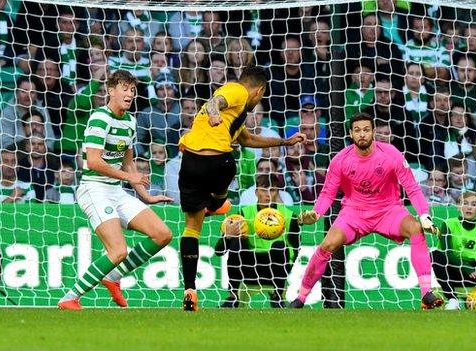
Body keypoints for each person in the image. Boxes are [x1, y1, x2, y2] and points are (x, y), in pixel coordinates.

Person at [177, 66, 306, 311]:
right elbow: (217, 101)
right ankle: (215, 203)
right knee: (228, 169)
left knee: (191, 230)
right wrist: (215, 112)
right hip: (217, 163)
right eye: (261, 98)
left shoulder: (234, 119)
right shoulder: (237, 90)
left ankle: (190, 289)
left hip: (190, 162)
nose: (258, 102)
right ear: (259, 90)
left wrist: (284, 141)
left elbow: (247, 139)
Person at [288, 113, 443, 309]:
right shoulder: (340, 160)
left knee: (415, 228)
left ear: (373, 132)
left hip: (389, 210)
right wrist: (317, 213)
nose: (362, 134)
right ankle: (301, 298)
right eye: (357, 130)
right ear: (351, 134)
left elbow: (411, 187)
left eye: (366, 130)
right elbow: (328, 192)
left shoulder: (391, 153)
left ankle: (426, 293)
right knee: (327, 244)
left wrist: (424, 215)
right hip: (354, 213)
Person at [57, 70, 173, 310]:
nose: (130, 94)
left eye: (133, 90)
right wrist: (128, 176)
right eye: (124, 88)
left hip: (116, 190)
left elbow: (128, 162)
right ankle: (70, 297)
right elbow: (95, 161)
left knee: (162, 234)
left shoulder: (130, 121)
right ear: (111, 91)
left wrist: (145, 195)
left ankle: (112, 277)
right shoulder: (100, 118)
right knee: (118, 250)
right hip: (94, 189)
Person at [215, 174, 301, 308]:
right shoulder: (244, 213)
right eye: (263, 190)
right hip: (248, 266)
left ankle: (277, 296)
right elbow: (219, 251)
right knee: (237, 243)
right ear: (256, 192)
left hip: (275, 268)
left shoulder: (288, 215)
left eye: (272, 190)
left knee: (280, 246)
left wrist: (287, 267)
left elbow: (295, 248)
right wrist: (228, 236)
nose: (267, 195)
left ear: (277, 192)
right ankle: (233, 296)